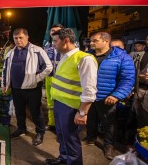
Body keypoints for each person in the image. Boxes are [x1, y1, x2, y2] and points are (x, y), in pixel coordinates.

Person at [45, 28, 98, 165]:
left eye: (56, 41)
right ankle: (63, 158)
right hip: (59, 103)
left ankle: (73, 162)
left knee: (71, 139)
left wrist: (82, 112)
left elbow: (90, 90)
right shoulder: (64, 56)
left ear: (66, 41)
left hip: (72, 108)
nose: (53, 44)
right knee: (62, 136)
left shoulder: (84, 59)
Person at [85, 32, 135, 160]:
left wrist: (117, 95)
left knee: (109, 124)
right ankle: (90, 138)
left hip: (108, 97)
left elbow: (128, 79)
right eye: (91, 41)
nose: (91, 43)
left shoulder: (121, 57)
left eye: (95, 40)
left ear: (106, 41)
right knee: (91, 119)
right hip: (90, 96)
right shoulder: (88, 55)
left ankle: (108, 146)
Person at [1, 28, 52, 146]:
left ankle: (40, 132)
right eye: (16, 38)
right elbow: (5, 70)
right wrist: (4, 84)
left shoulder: (37, 50)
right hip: (16, 88)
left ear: (27, 37)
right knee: (19, 111)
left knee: (35, 112)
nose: (18, 40)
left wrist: (36, 79)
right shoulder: (10, 53)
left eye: (21, 38)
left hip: (33, 89)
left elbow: (48, 67)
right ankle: (21, 129)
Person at [44, 23, 64, 131]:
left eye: (57, 30)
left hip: (61, 78)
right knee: (50, 102)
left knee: (60, 102)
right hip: (49, 77)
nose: (54, 32)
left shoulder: (67, 44)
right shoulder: (47, 45)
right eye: (52, 30)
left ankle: (60, 126)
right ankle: (51, 123)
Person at [133, 35, 148, 128]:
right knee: (138, 115)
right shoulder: (142, 54)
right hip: (139, 89)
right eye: (147, 39)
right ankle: (140, 138)